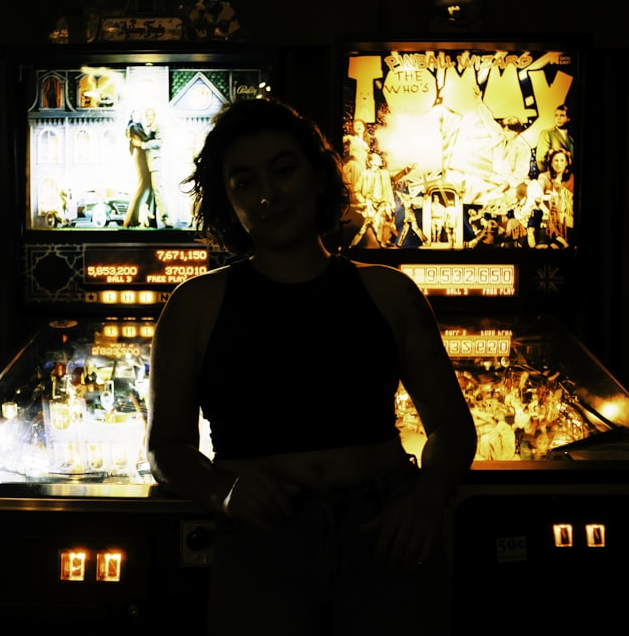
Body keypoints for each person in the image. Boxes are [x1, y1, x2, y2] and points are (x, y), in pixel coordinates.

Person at [145, 97, 477, 635]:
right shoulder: (194, 306)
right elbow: (167, 450)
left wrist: (427, 497)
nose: (268, 196)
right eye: (244, 182)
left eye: (284, 170)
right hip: (261, 534)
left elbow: (452, 426)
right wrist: (221, 491)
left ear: (320, 178)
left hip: (386, 527)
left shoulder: (389, 292)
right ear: (227, 202)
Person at [125, 107, 166, 227]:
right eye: (135, 115)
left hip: (145, 159)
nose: (138, 117)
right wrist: (153, 131)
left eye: (139, 115)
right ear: (131, 117)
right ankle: (131, 219)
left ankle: (147, 220)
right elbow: (146, 139)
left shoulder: (138, 127)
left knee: (148, 189)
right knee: (143, 187)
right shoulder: (134, 127)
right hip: (141, 159)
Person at [534, 104, 574, 174]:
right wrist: (549, 176)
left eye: (562, 115)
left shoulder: (571, 137)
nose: (558, 118)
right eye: (556, 115)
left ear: (568, 118)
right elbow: (540, 159)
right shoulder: (547, 133)